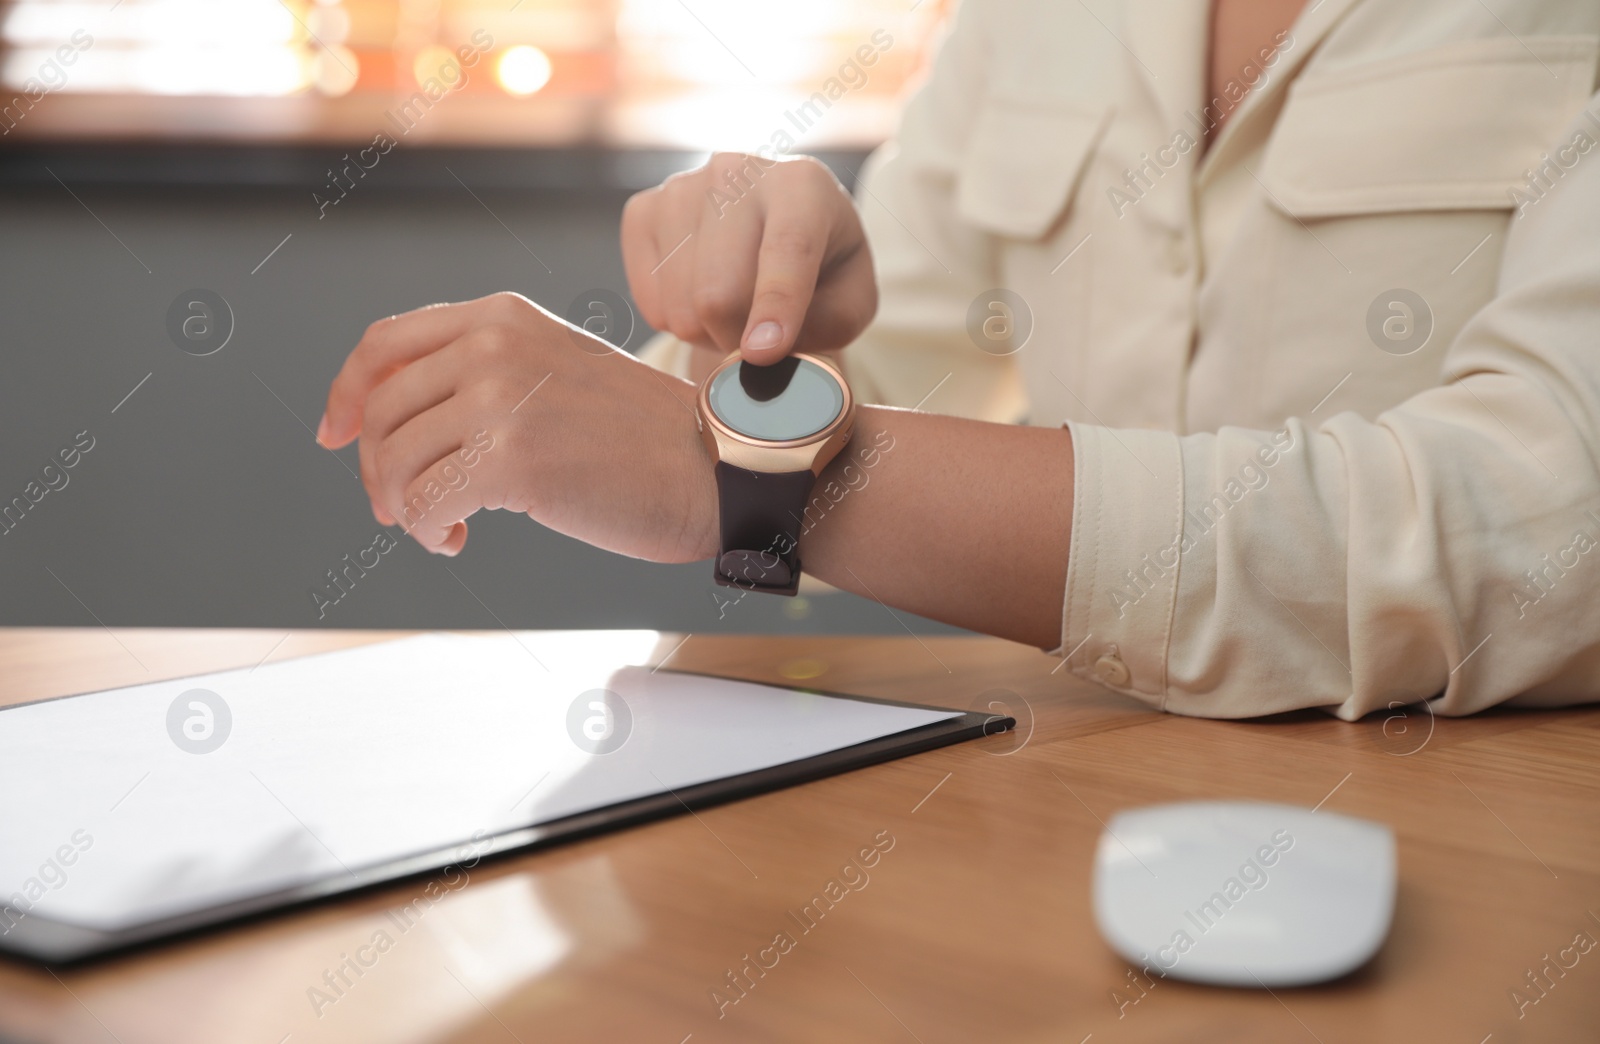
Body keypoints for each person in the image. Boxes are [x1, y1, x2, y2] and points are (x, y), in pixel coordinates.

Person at [318, 0, 1600, 719]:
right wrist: (752, 337)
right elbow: (897, 391)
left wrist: (736, 471)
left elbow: (1540, 525)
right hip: (1063, 814)